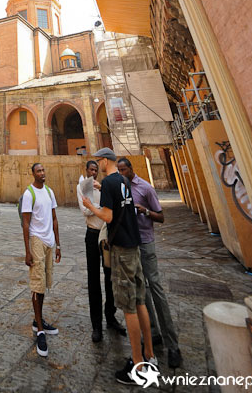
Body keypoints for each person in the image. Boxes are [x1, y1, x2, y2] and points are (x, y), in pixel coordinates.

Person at [82, 148, 156, 385]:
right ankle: (150, 354)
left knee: (128, 306)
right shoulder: (124, 180)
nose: (99, 165)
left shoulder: (108, 182)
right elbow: (124, 205)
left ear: (105, 161)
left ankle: (137, 365)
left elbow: (108, 216)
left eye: (100, 161)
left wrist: (90, 205)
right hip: (134, 245)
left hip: (121, 249)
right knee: (140, 301)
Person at [117, 157, 182, 368]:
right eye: (118, 170)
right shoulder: (121, 188)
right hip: (131, 244)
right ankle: (153, 333)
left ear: (131, 169)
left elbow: (161, 217)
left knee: (155, 288)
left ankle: (173, 345)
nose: (121, 173)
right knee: (141, 291)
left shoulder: (145, 188)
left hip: (146, 243)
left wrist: (144, 211)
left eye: (124, 170)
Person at [77, 159, 126, 342]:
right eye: (91, 170)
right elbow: (86, 211)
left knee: (110, 277)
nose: (93, 173)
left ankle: (111, 317)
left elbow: (110, 209)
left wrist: (97, 206)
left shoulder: (103, 186)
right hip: (92, 235)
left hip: (106, 236)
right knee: (93, 280)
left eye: (95, 170)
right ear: (86, 170)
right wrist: (101, 209)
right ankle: (96, 324)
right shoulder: (82, 186)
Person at [21, 162, 61, 357]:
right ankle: (40, 332)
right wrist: (27, 251)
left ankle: (39, 321)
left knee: (44, 284)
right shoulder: (29, 194)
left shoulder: (50, 192)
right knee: (37, 284)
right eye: (39, 171)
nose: (42, 173)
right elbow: (25, 223)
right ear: (33, 174)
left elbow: (54, 218)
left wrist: (58, 244)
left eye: (43, 170)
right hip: (36, 240)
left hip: (49, 241)